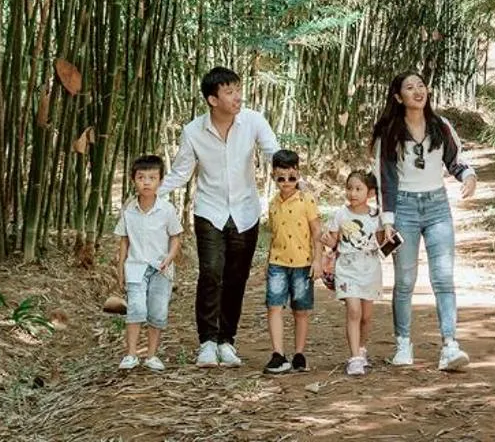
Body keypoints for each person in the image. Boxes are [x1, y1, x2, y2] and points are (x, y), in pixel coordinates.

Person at [161, 66, 280, 368]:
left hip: (245, 211)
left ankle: (227, 340)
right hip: (209, 211)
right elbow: (181, 172)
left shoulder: (253, 121)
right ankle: (207, 342)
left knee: (236, 278)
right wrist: (153, 194)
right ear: (213, 99)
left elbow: (273, 153)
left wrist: (293, 180)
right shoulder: (193, 131)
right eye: (229, 92)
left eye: (238, 89)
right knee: (211, 273)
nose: (237, 96)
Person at [370, 70, 477, 371]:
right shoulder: (389, 132)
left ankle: (450, 345)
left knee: (443, 277)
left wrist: (468, 176)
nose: (418, 91)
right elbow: (384, 179)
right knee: (405, 280)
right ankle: (403, 344)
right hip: (403, 207)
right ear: (397, 97)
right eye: (409, 87)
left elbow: (455, 161)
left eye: (421, 85)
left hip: (437, 205)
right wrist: (386, 219)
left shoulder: (440, 125)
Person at [113, 154, 183, 371]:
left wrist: (169, 258)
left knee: (158, 312)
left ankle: (152, 355)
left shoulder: (167, 210)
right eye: (141, 177)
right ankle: (131, 354)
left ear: (160, 181)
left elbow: (176, 237)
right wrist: (120, 268)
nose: (146, 182)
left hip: (161, 269)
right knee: (135, 308)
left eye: (152, 178)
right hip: (135, 267)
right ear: (133, 180)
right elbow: (124, 241)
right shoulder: (128, 210)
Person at [261, 150, 322, 374]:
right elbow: (274, 234)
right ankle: (278, 354)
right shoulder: (273, 203)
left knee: (301, 310)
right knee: (274, 306)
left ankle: (299, 354)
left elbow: (317, 232)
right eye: (281, 178)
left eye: (291, 178)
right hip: (278, 262)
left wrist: (318, 259)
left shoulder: (307, 200)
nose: (286, 183)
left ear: (298, 174)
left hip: (303, 263)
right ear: (273, 177)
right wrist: (268, 260)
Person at [319, 170, 384, 376]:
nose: (353, 193)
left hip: (370, 269)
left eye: (358, 189)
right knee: (353, 311)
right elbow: (334, 241)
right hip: (347, 269)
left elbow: (382, 241)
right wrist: (324, 240)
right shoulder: (341, 214)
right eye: (349, 188)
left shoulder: (376, 216)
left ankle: (362, 349)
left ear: (370, 193)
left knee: (366, 316)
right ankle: (354, 357)